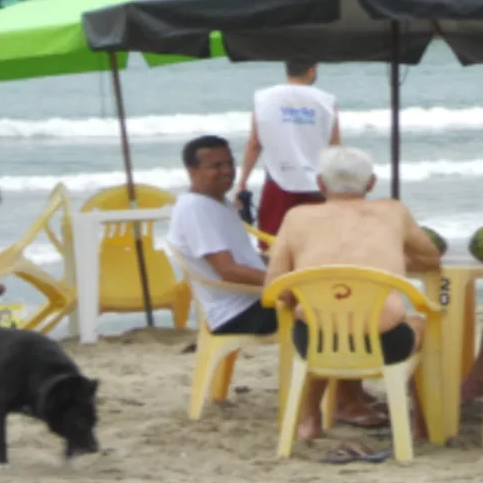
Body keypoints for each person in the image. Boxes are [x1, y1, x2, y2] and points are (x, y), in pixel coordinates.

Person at [263, 146, 442, 441]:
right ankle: (422, 425)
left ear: (320, 183)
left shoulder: (296, 218)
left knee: (323, 322)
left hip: (313, 343)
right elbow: (431, 259)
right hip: (386, 343)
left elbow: (276, 287)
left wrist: (310, 294)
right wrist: (389, 263)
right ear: (371, 183)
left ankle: (310, 420)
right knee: (420, 324)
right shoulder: (393, 211)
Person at [167, 136, 275, 340]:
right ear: (192, 171)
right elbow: (228, 270)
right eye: (216, 166)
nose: (227, 170)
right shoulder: (196, 209)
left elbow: (248, 258)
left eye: (230, 163)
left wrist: (297, 267)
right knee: (325, 309)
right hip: (237, 313)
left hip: (253, 301)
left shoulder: (219, 203)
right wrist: (286, 283)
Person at [236, 61, 341, 250]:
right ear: (311, 70)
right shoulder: (326, 100)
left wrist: (242, 181)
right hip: (316, 182)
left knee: (271, 242)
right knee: (315, 245)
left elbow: (254, 143)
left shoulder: (264, 97)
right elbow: (334, 147)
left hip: (277, 178)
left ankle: (276, 278)